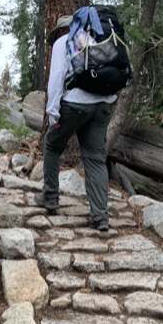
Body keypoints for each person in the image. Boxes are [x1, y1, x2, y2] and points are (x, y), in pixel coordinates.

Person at [35, 13, 117, 232]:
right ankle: (100, 217)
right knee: (95, 160)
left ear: (63, 30)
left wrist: (53, 113)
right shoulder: (98, 40)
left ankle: (50, 196)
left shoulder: (64, 42)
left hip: (75, 104)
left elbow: (56, 78)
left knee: (52, 145)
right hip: (102, 106)